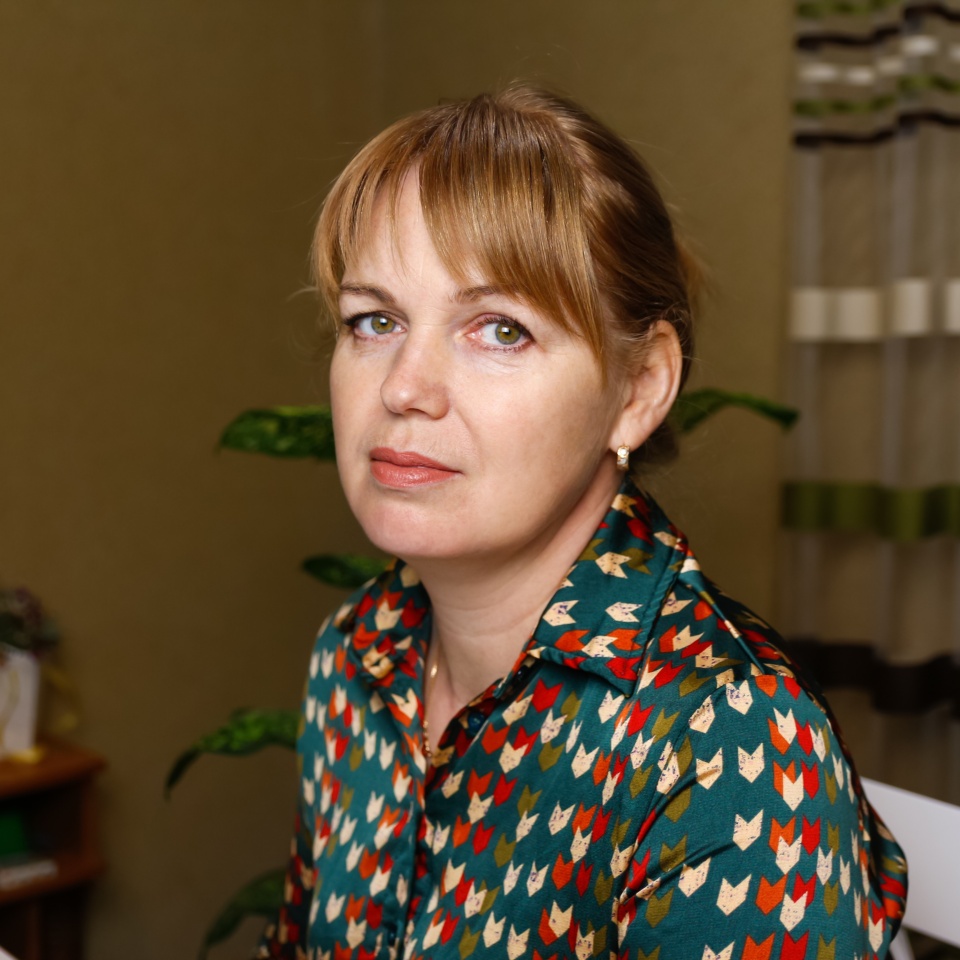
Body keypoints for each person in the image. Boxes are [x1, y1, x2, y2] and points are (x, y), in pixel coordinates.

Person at [258, 85, 906, 960]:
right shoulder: (357, 651)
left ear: (637, 392)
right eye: (374, 321)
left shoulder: (733, 749)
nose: (403, 388)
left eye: (500, 331)